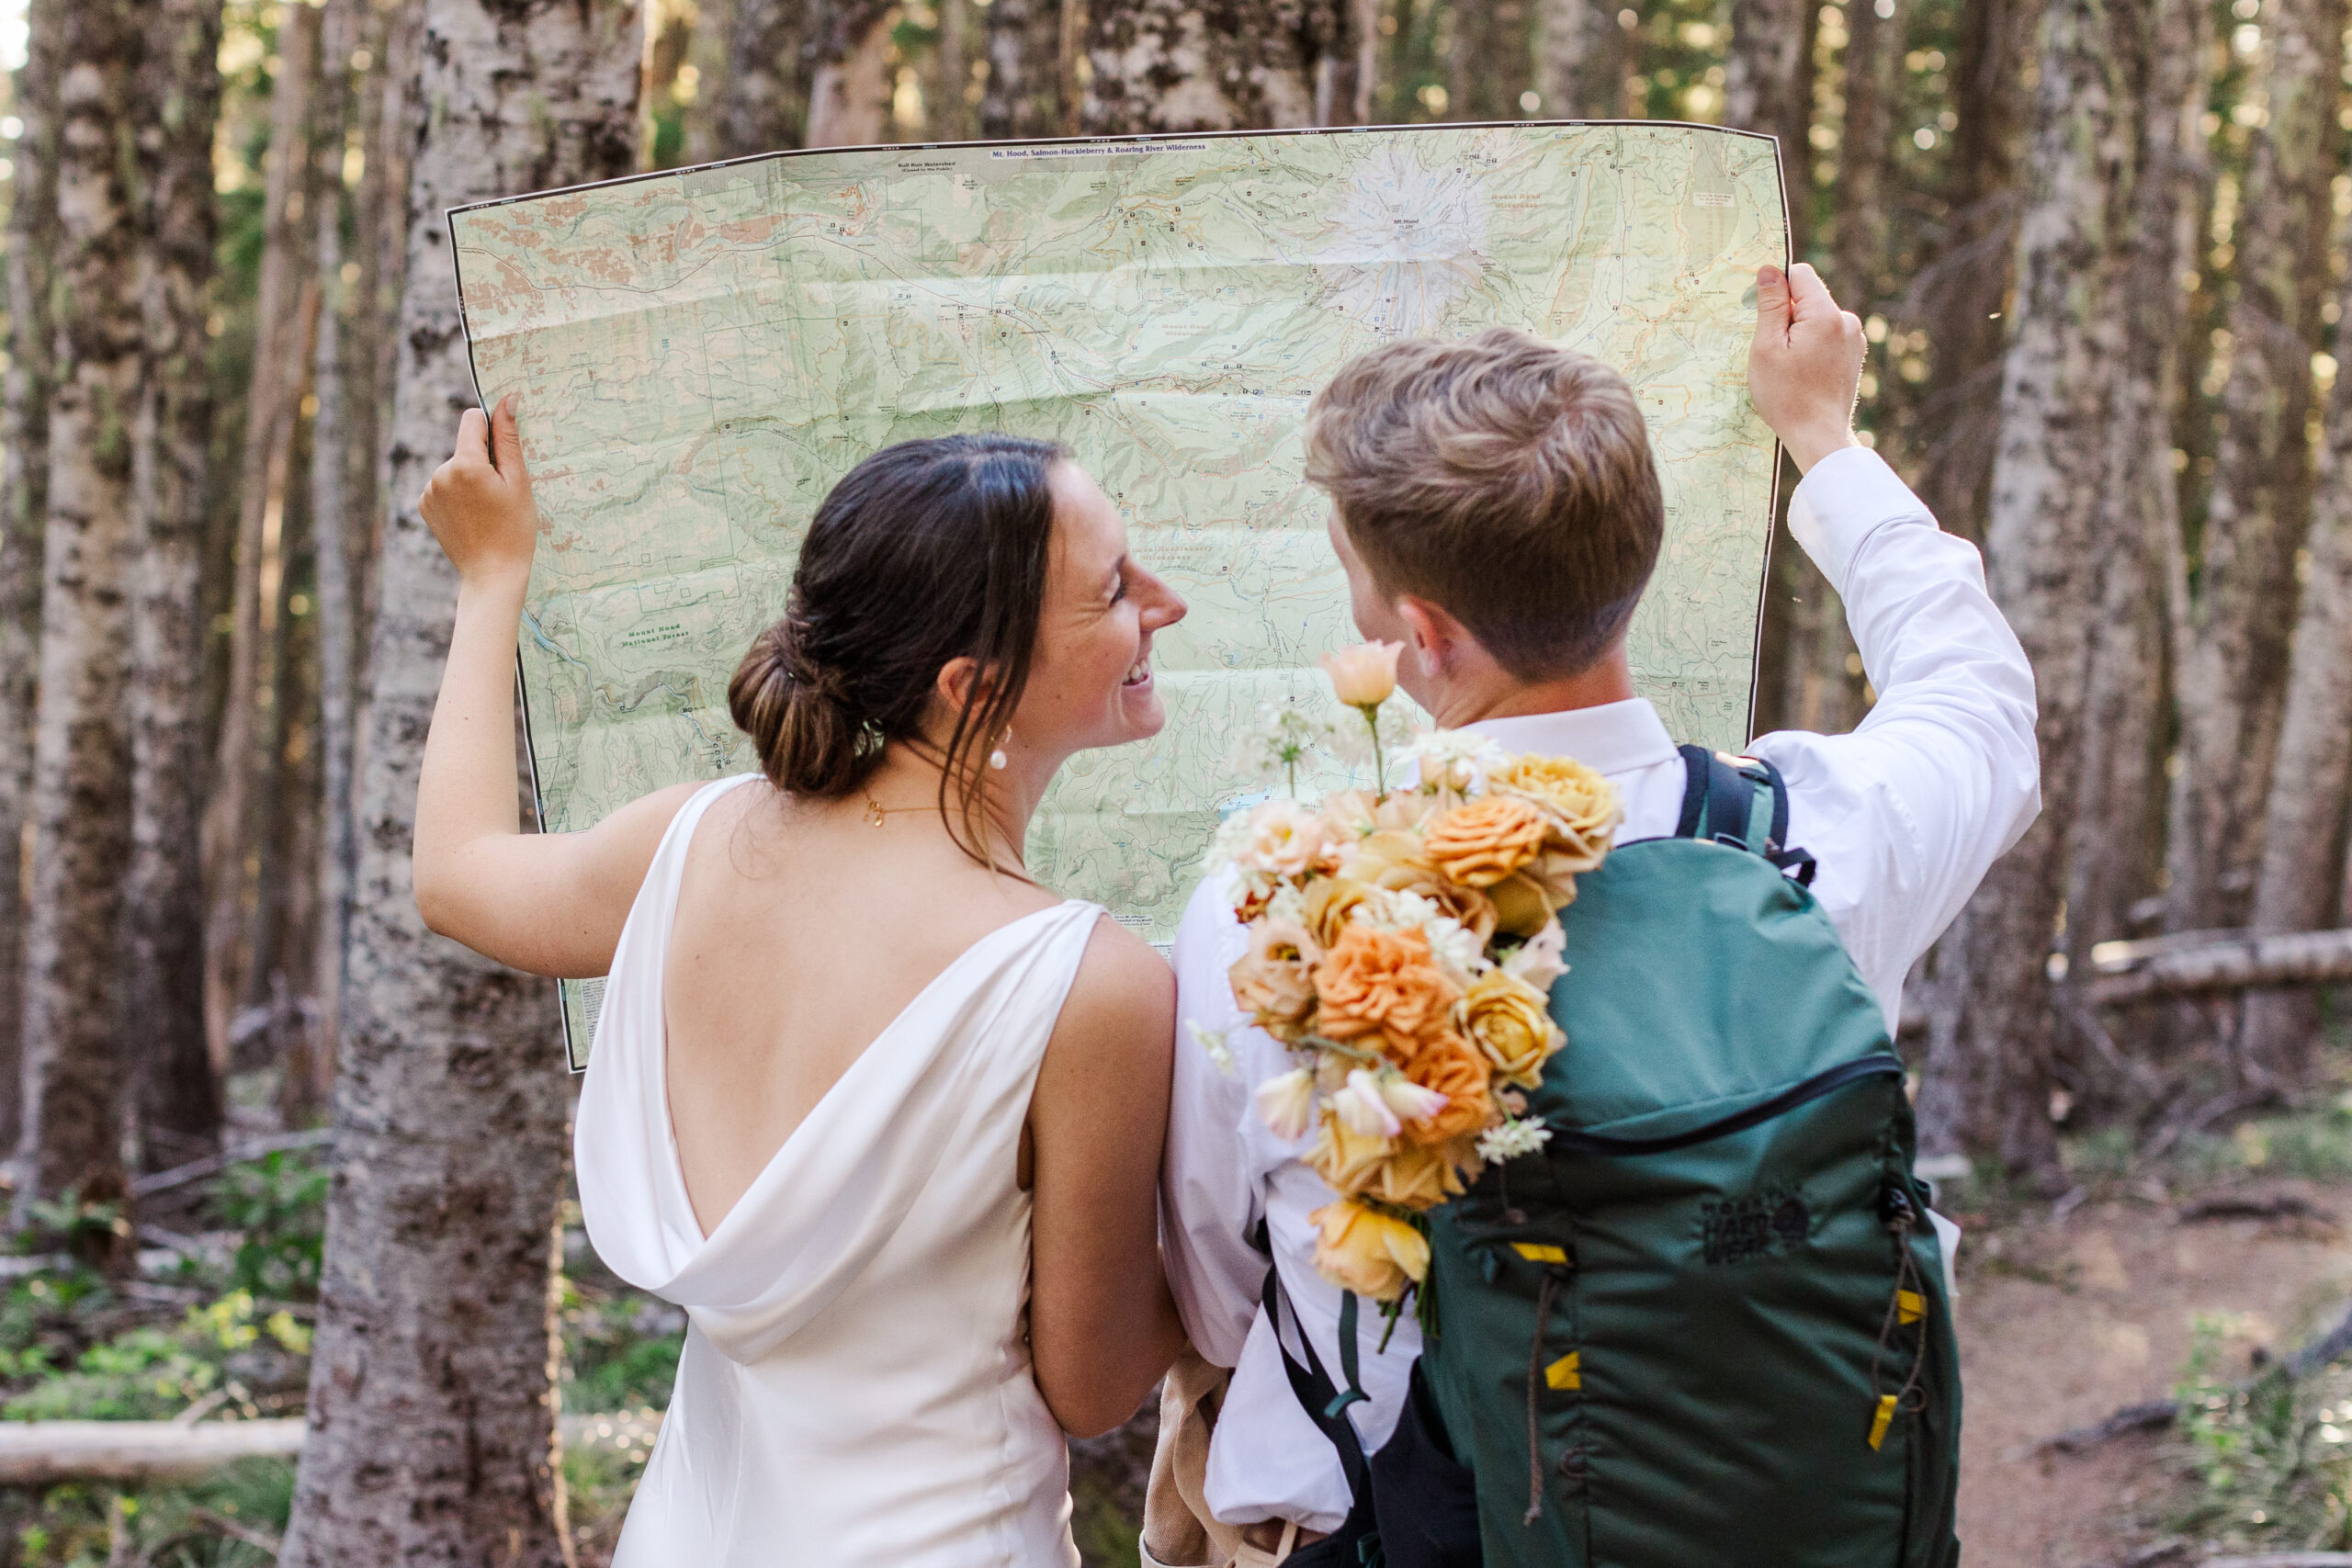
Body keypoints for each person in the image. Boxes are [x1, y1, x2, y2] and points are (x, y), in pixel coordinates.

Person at [1151, 262, 2039, 1564]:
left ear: (1423, 630)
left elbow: (1211, 1274)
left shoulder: (1280, 895)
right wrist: (1823, 441)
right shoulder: (1812, 832)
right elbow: (1980, 704)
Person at [410, 412, 1191, 1566]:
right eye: (1114, 588)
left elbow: (456, 875)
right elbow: (1094, 1386)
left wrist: (491, 579)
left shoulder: (690, 841)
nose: (1163, 602)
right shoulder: (1089, 986)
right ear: (974, 685)